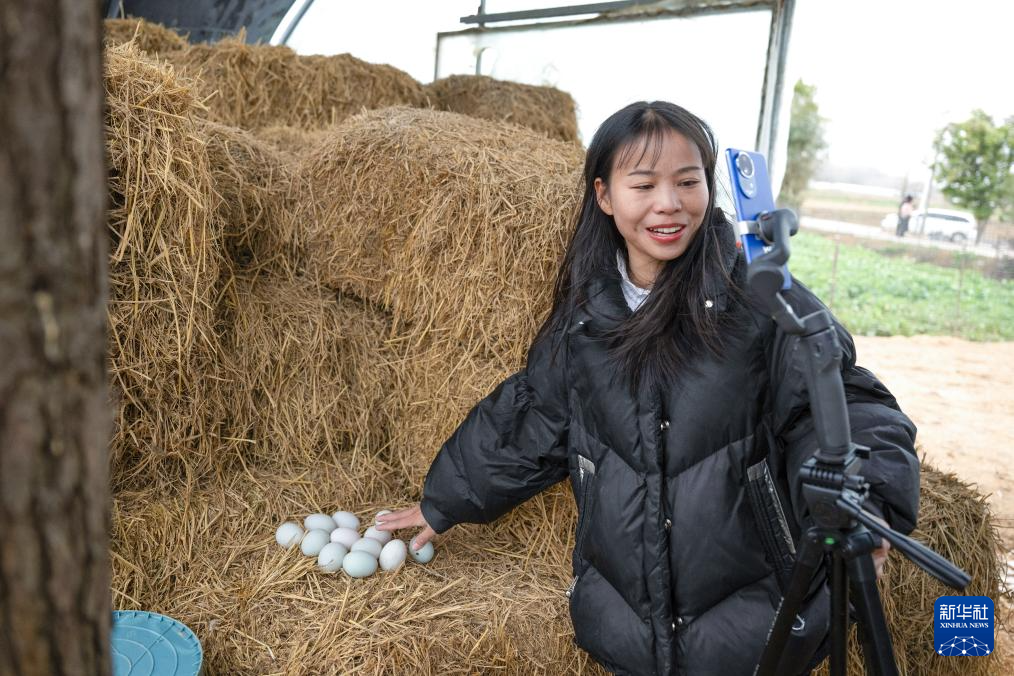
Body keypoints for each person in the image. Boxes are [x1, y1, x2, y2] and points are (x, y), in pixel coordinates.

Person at [376, 101, 920, 676]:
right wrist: (443, 501)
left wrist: (865, 500)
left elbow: (840, 402)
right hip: (622, 625)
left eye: (689, 182)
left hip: (755, 628)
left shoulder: (760, 298)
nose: (670, 203)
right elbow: (537, 417)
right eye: (644, 184)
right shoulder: (585, 315)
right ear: (606, 197)